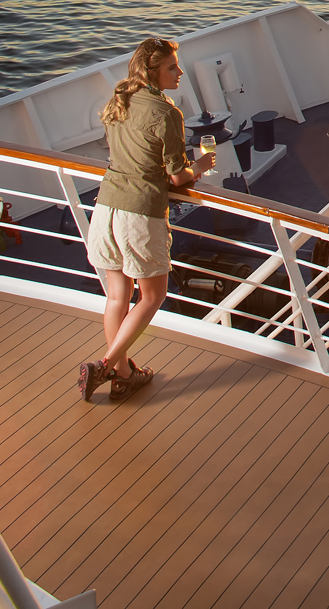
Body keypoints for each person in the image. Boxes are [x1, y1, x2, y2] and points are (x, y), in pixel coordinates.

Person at [76, 36, 213, 402]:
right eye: (172, 67)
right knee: (152, 296)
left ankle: (124, 376)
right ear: (153, 72)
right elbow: (177, 177)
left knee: (117, 296)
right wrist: (201, 164)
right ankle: (104, 366)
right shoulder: (166, 113)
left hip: (106, 207)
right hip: (138, 213)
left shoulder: (119, 100)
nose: (180, 72)